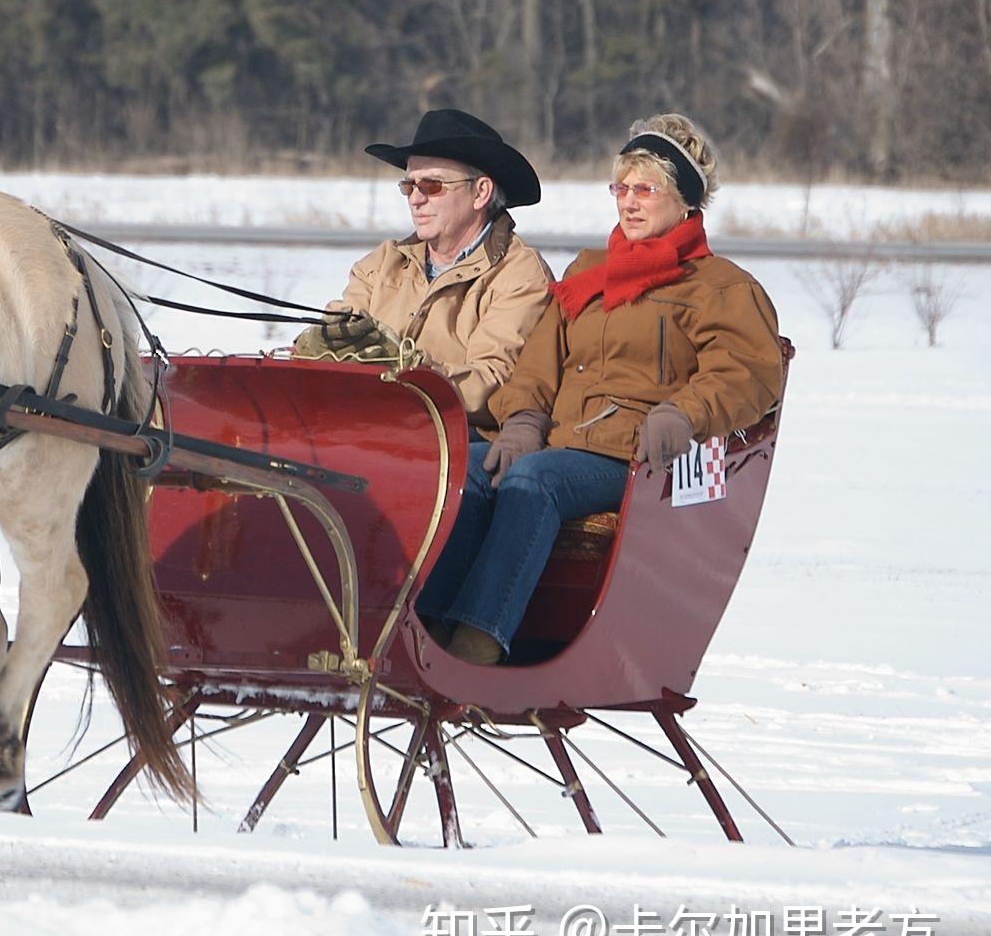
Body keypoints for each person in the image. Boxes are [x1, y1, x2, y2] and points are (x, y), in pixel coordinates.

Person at [415, 113, 784, 665]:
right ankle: (427, 628)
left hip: (635, 456)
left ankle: (478, 640)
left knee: (537, 480)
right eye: (621, 188)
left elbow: (747, 373)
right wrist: (521, 422)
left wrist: (684, 414)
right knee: (463, 466)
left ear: (686, 201)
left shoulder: (720, 287)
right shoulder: (590, 272)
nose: (629, 202)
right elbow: (539, 364)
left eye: (646, 190)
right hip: (560, 442)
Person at [295, 108, 553, 435]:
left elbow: (491, 385)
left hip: (455, 442)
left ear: (481, 192)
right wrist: (317, 344)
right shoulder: (383, 261)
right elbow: (333, 333)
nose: (415, 199)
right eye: (408, 186)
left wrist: (408, 368)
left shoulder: (520, 274)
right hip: (360, 427)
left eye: (431, 186)